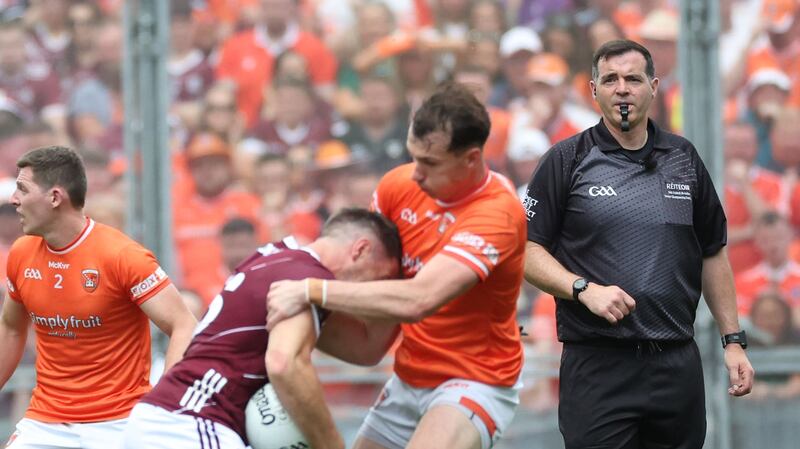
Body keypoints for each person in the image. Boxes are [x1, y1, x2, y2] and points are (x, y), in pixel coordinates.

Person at [522, 39, 755, 449]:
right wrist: (583, 289)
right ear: (593, 91)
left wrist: (733, 341)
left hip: (675, 362)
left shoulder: (683, 157)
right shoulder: (566, 160)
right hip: (598, 364)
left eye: (632, 78)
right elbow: (525, 249)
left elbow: (713, 250)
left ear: (654, 86)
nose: (622, 88)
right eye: (610, 79)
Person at [267, 83, 527, 449]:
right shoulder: (398, 184)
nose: (415, 174)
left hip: (476, 379)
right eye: (413, 157)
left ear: (470, 158)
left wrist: (310, 290)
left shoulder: (497, 212)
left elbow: (421, 298)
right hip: (408, 377)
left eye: (430, 163)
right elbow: (366, 314)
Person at [122, 208, 403, 449]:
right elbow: (284, 364)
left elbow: (366, 350)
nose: (370, 293)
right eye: (379, 279)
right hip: (191, 425)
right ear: (361, 249)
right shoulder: (305, 275)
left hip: (168, 422)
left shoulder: (279, 258)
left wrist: (406, 279)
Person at [0, 146, 197, 448]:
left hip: (119, 423)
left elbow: (184, 324)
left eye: (22, 189)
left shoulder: (123, 256)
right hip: (46, 421)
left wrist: (165, 406)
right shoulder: (21, 254)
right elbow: (12, 328)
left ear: (54, 198)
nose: (14, 199)